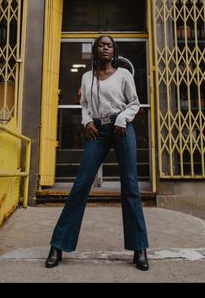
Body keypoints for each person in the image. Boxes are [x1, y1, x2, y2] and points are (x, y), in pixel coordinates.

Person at [45, 35, 149, 271]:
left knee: (131, 186)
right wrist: (86, 122)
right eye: (101, 44)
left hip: (122, 128)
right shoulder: (87, 76)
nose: (105, 47)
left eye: (109, 45)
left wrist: (122, 119)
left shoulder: (124, 74)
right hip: (98, 130)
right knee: (81, 185)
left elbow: (134, 103)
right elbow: (84, 105)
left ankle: (139, 248)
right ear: (95, 50)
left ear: (114, 51)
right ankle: (57, 245)